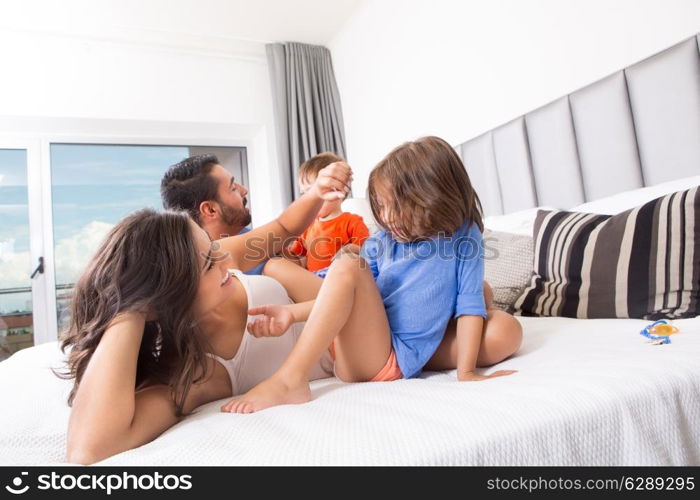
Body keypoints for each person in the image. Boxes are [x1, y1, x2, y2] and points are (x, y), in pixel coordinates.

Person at [57, 162, 352, 464]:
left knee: (291, 265)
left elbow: (283, 228)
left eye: (214, 248)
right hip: (352, 344)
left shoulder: (217, 257)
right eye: (210, 264)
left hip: (352, 300)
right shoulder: (198, 374)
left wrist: (317, 191)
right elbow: (88, 449)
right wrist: (128, 312)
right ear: (163, 299)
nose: (225, 261)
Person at [220, 136, 523, 414]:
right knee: (349, 263)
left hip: (395, 356)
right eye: (381, 207)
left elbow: (470, 306)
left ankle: (294, 377)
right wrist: (292, 314)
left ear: (437, 198)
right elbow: (351, 298)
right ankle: (290, 379)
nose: (388, 218)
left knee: (500, 320)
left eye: (400, 207)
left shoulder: (464, 236)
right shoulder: (383, 241)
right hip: (367, 350)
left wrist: (465, 373)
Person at [161, 154, 265, 275]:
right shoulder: (203, 277)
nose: (244, 190)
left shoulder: (251, 237)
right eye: (233, 188)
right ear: (210, 210)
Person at [285, 152, 370, 278]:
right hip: (313, 280)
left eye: (312, 191)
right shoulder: (307, 227)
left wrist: (352, 250)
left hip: (340, 280)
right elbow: (300, 261)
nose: (307, 199)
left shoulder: (352, 222)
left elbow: (369, 253)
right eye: (304, 193)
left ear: (336, 190)